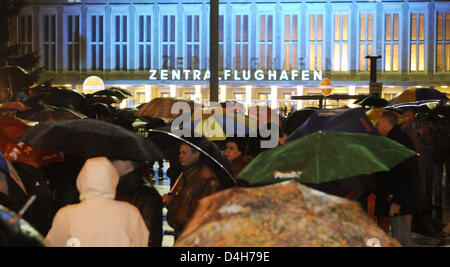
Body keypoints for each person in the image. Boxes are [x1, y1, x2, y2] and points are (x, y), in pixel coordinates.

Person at [45, 157, 149, 247]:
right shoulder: (130, 212)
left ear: (81, 179)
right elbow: (142, 242)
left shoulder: (66, 214)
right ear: (112, 179)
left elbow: (53, 243)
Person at [375, 110, 420, 246]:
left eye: (378, 122)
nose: (377, 126)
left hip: (400, 199)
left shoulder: (396, 141)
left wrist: (396, 199)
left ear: (384, 123)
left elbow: (404, 172)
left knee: (402, 236)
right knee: (400, 235)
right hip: (400, 197)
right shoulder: (398, 138)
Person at [162, 142, 224, 240]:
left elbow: (207, 213)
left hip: (195, 237)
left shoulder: (206, 180)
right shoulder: (184, 175)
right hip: (181, 234)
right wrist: (171, 200)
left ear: (196, 154)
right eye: (180, 152)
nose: (180, 156)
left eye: (184, 153)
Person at [111, 159, 163, 247]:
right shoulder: (117, 190)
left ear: (127, 163)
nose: (111, 164)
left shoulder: (144, 194)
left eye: (115, 160)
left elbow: (146, 234)